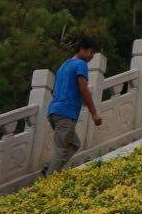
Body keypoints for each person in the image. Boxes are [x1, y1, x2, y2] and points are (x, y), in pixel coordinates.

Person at [44, 37, 103, 175]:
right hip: (65, 114)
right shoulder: (80, 64)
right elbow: (83, 89)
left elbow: (53, 91)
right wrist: (94, 113)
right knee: (61, 149)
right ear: (82, 50)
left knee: (74, 144)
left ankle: (48, 167)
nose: (92, 56)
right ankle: (47, 181)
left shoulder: (64, 65)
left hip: (54, 112)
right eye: (91, 52)